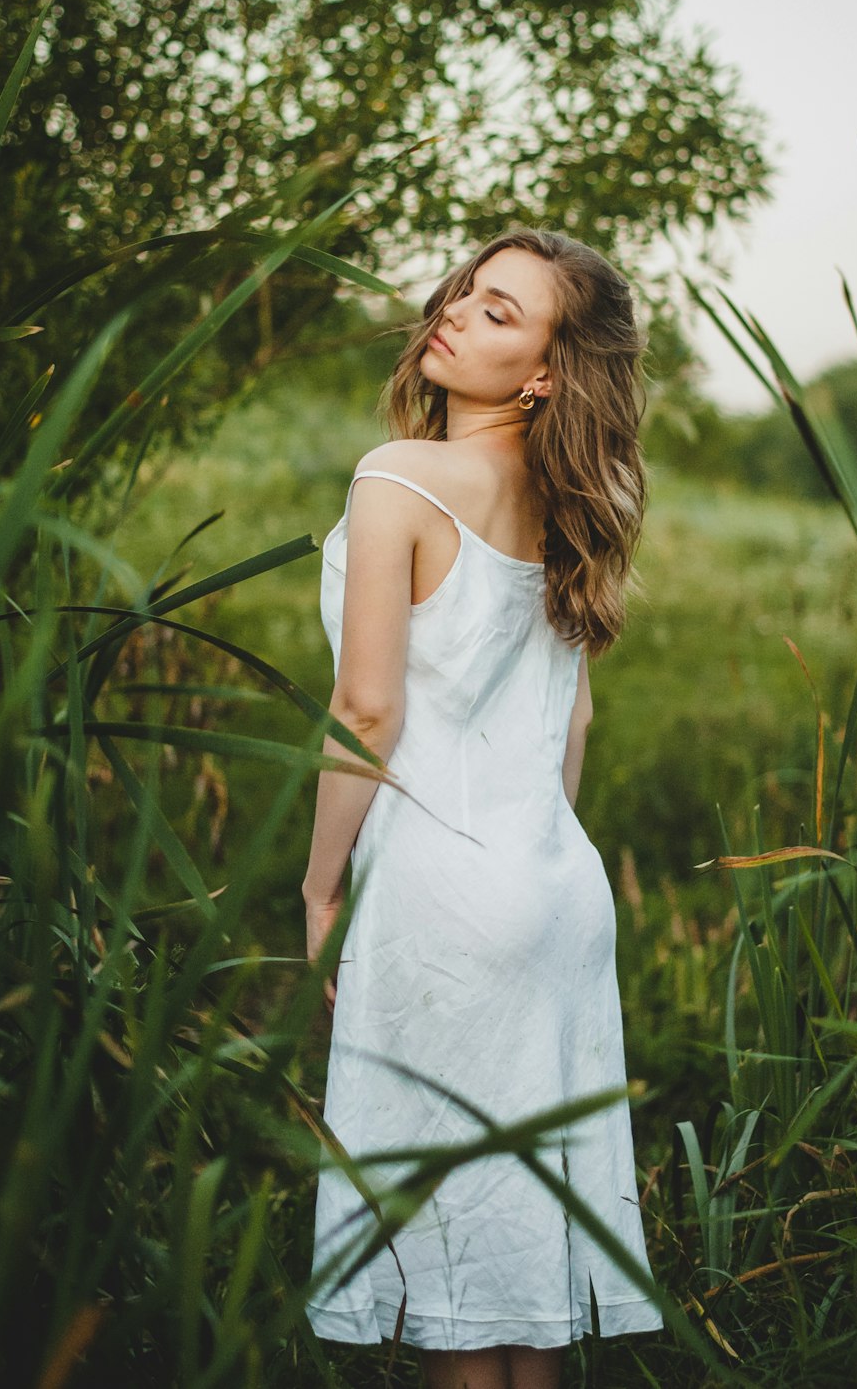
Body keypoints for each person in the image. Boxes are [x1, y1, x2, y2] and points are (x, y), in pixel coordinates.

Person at [301, 228, 663, 1389]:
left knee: (460, 1273)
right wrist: (529, 865)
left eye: (503, 312)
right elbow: (577, 726)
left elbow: (365, 710)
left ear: (549, 373)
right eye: (469, 288)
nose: (456, 307)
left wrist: (317, 891)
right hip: (554, 891)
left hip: (442, 896)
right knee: (527, 1269)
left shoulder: (396, 476)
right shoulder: (572, 503)